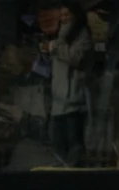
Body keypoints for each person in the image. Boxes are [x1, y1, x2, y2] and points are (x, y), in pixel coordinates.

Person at [45, 2, 91, 166]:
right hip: (58, 102)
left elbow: (76, 58)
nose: (64, 19)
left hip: (73, 103)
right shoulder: (60, 36)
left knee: (74, 148)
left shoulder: (82, 34)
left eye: (67, 15)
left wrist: (56, 47)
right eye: (62, 15)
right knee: (58, 148)